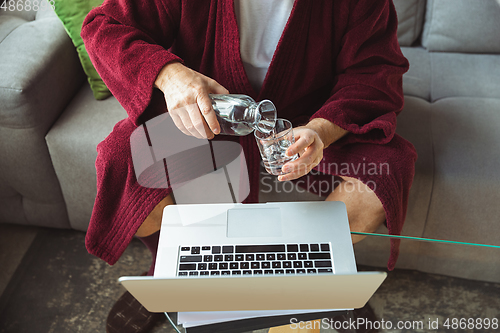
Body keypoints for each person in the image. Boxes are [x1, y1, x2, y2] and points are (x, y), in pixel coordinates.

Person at [81, 0, 416, 332]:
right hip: (210, 117)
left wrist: (319, 132)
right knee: (122, 160)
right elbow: (102, 27)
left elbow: (374, 73)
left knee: (385, 173)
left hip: (307, 119)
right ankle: (173, 269)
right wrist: (171, 76)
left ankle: (320, 276)